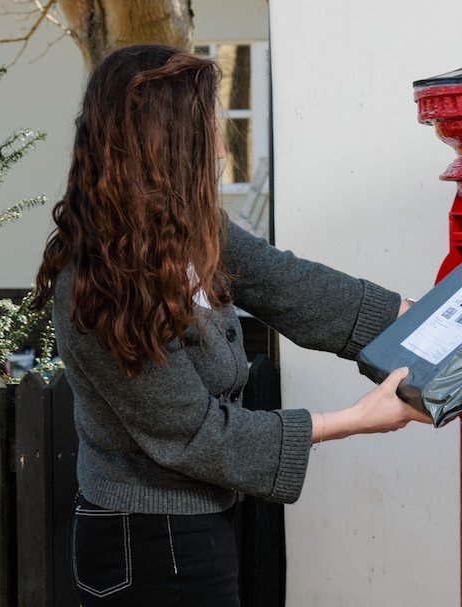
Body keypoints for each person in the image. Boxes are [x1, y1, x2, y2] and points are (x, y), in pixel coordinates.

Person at [30, 44, 429, 606]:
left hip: (200, 521)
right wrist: (355, 420)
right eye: (205, 135)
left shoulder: (189, 230)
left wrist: (425, 318)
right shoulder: (102, 282)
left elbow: (290, 286)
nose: (219, 151)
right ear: (161, 147)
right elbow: (193, 433)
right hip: (142, 539)